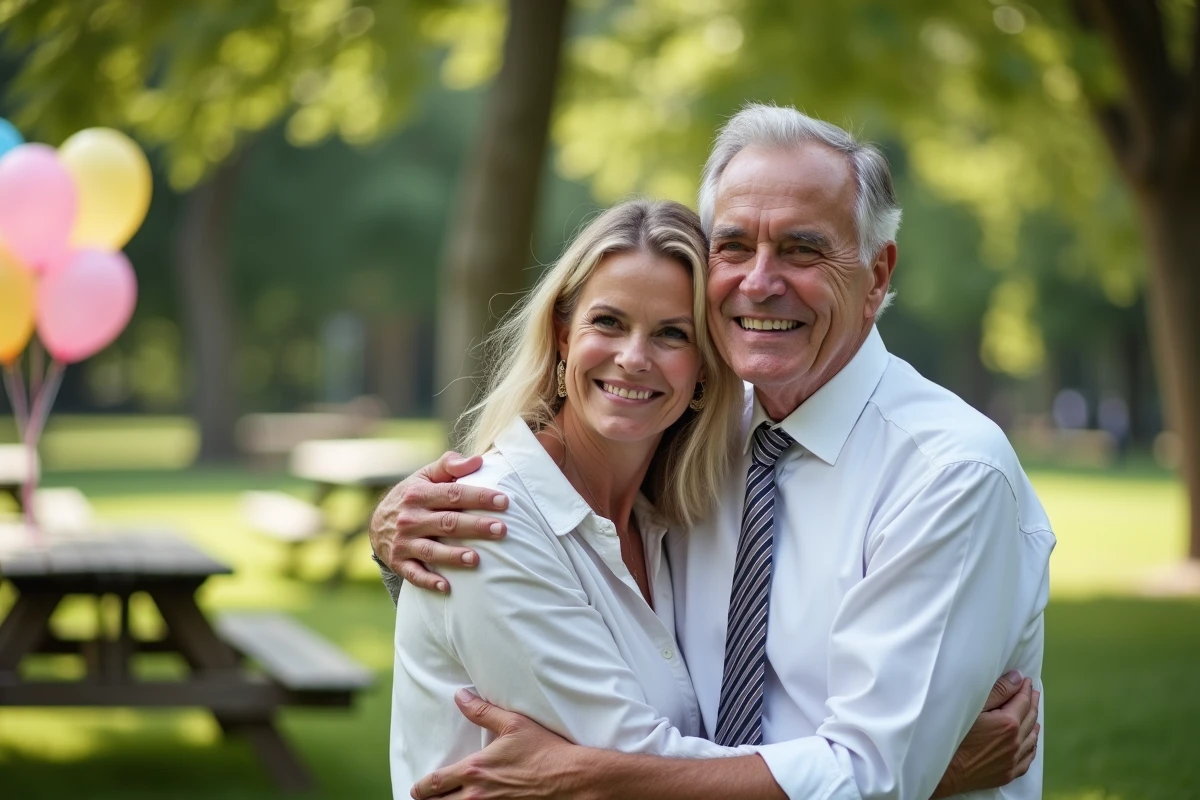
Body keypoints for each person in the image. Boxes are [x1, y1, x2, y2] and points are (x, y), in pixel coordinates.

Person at [378, 105, 1053, 800]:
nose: (760, 282)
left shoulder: (948, 474)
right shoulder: (693, 447)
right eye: (733, 246)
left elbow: (873, 776)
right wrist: (391, 534)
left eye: (801, 249)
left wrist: (583, 777)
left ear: (876, 274)